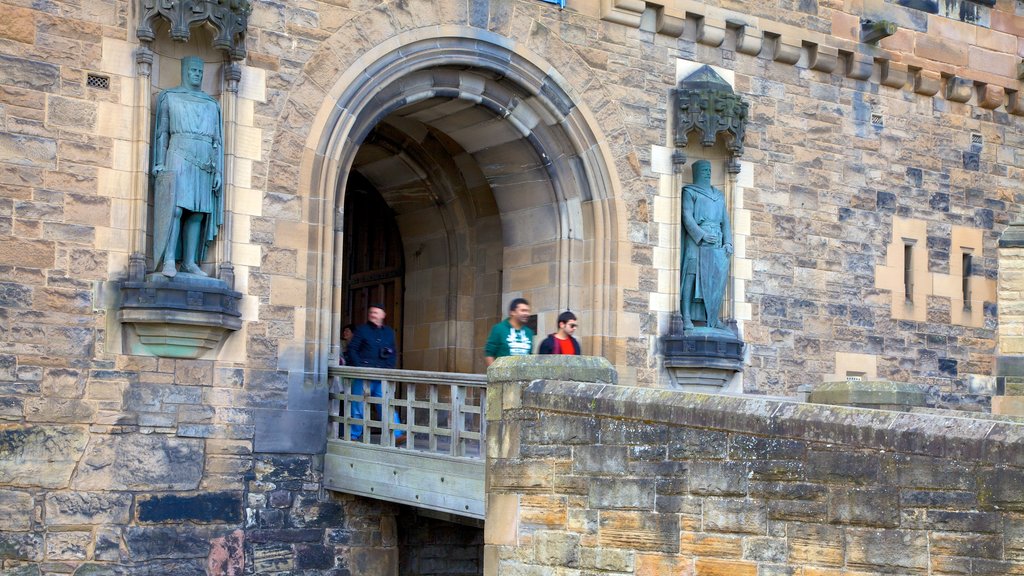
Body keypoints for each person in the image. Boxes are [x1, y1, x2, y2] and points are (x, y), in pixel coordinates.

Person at [152, 56, 224, 278]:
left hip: (204, 162)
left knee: (198, 213)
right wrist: (159, 162)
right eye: (193, 70)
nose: (197, 75)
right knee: (175, 209)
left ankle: (190, 262)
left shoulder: (212, 104)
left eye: (200, 72)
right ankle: (170, 259)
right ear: (184, 71)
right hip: (178, 155)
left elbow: (217, 141)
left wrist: (219, 170)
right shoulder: (170, 97)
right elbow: (162, 133)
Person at [680, 160, 733, 330]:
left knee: (715, 278)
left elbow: (725, 222)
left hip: (716, 241)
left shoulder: (719, 196)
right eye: (704, 170)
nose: (708, 173)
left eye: (709, 170)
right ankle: (686, 316)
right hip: (697, 241)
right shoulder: (690, 192)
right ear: (697, 172)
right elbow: (687, 216)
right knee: (692, 274)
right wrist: (702, 235)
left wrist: (728, 242)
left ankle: (713, 317)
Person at [346, 305, 404, 444]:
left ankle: (396, 434)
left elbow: (392, 352)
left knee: (386, 404)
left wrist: (389, 368)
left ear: (383, 315)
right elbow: (352, 350)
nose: (373, 314)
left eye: (376, 312)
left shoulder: (388, 332)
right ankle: (353, 435)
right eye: (371, 312)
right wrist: (360, 367)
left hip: (381, 375)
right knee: (357, 405)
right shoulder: (362, 330)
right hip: (364, 375)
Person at [485, 298, 535, 366]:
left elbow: (530, 356)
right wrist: (495, 374)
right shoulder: (499, 329)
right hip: (503, 375)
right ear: (512, 312)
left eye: (528, 311)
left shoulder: (529, 332)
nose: (526, 314)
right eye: (523, 310)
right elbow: (489, 354)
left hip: (523, 375)